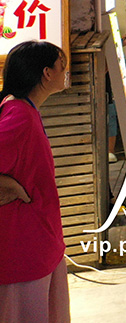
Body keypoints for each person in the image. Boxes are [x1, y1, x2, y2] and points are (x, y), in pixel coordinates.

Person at [0, 41, 70, 323]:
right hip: (25, 250)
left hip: (38, 243)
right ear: (46, 73)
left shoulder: (21, 109)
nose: (66, 71)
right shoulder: (20, 115)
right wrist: (13, 187)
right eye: (61, 65)